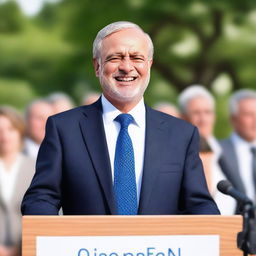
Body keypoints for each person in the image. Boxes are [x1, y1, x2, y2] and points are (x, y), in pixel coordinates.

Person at [21, 21, 219, 215]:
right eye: (115, 58)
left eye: (136, 57)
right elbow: (41, 198)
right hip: (88, 247)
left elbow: (199, 204)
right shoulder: (64, 129)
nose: (126, 67)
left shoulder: (181, 134)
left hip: (159, 248)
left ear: (149, 65)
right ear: (97, 66)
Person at [178, 85, 236, 214]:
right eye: (196, 113)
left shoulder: (226, 151)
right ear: (183, 117)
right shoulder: (175, 154)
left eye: (207, 112)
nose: (203, 119)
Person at [0, 106, 35, 256]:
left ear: (20, 131)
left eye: (10, 129)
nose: (4, 136)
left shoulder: (37, 167)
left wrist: (20, 247)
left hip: (29, 248)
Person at [219, 89, 256, 213]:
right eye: (248, 115)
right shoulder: (219, 150)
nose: (255, 120)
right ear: (233, 119)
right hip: (237, 225)